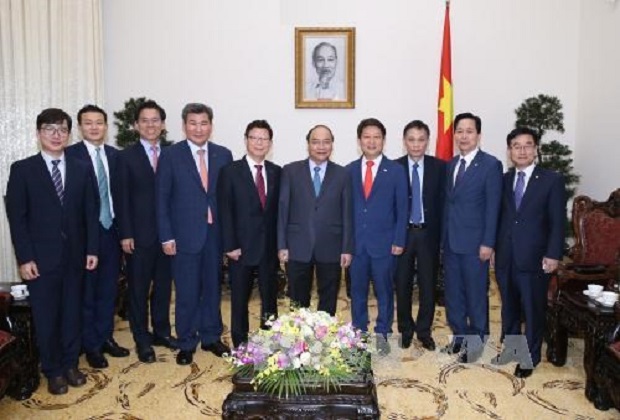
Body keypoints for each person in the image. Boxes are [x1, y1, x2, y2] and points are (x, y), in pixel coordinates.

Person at [6, 108, 99, 395]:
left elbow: (90, 212)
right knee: (46, 316)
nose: (56, 135)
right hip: (40, 260)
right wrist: (25, 258)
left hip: (75, 255)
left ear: (69, 134)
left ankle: (71, 364)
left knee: (72, 313)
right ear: (38, 133)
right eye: (49, 129)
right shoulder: (23, 170)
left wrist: (92, 249)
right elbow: (17, 218)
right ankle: (53, 370)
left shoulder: (82, 168)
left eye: (62, 129)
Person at [157, 102, 233, 365]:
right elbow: (162, 199)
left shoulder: (223, 154)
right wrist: (166, 236)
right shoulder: (170, 155)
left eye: (203, 123)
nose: (198, 128)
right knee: (187, 291)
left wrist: (229, 238)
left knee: (213, 288)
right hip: (183, 235)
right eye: (193, 123)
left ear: (211, 125)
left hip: (214, 234)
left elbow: (227, 199)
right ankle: (187, 341)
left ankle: (212, 336)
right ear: (184, 125)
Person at [493, 127, 566, 378]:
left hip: (536, 258)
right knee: (509, 307)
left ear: (535, 149)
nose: (522, 150)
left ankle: (530, 357)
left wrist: (554, 254)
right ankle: (513, 350)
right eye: (516, 145)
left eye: (527, 145)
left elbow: (558, 222)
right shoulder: (503, 180)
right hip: (505, 256)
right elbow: (499, 218)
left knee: (533, 309)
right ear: (510, 151)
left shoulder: (551, 180)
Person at [66, 105, 130, 368]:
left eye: (99, 123)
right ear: (80, 127)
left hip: (111, 232)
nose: (94, 127)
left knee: (108, 290)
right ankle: (90, 345)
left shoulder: (116, 156)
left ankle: (106, 338)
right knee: (87, 292)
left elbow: (122, 197)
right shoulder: (70, 156)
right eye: (88, 123)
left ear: (106, 126)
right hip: (83, 237)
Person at [116, 100, 176, 363]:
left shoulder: (173, 154)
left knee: (163, 288)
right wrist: (125, 233)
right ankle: (142, 339)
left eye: (155, 121)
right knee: (138, 290)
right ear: (136, 125)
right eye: (145, 120)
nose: (150, 125)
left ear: (162, 125)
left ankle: (161, 332)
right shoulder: (125, 157)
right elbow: (122, 199)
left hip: (168, 236)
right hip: (138, 237)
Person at [442, 112, 502, 363]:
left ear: (478, 135)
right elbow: (448, 204)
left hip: (476, 244)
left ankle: (476, 342)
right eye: (459, 131)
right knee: (453, 295)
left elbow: (493, 207)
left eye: (469, 131)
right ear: (454, 134)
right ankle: (459, 337)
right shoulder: (451, 164)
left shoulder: (490, 164)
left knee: (475, 294)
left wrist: (488, 242)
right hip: (451, 242)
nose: (463, 135)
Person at [217, 120, 280, 347]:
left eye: (264, 138)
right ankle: (241, 344)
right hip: (240, 248)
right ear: (246, 140)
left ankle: (270, 342)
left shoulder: (276, 172)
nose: (259, 143)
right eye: (254, 138)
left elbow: (278, 214)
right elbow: (224, 210)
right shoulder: (230, 172)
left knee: (270, 300)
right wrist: (229, 245)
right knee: (239, 300)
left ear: (270, 143)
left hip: (269, 249)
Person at [277, 125, 353, 316]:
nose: (321, 146)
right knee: (297, 300)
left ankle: (325, 340)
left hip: (331, 246)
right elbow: (283, 210)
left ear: (332, 145)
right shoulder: (290, 171)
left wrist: (346, 248)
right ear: (308, 144)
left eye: (326, 142)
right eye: (316, 142)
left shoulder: (342, 174)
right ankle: (299, 342)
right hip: (297, 246)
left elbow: (347, 213)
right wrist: (281, 245)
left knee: (328, 299)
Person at [347, 118, 408, 354]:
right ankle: (359, 332)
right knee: (357, 292)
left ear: (383, 140)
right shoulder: (349, 170)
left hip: (385, 244)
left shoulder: (395, 170)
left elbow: (402, 208)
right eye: (366, 137)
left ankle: (383, 332)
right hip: (357, 245)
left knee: (384, 292)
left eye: (376, 137)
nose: (371, 141)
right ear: (359, 140)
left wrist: (399, 240)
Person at [394, 120, 446, 351]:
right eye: (411, 139)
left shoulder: (440, 167)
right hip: (402, 235)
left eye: (421, 139)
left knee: (428, 285)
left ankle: (424, 330)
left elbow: (445, 205)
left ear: (428, 141)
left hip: (428, 235)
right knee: (402, 284)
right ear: (404, 141)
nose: (416, 144)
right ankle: (405, 329)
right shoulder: (394, 167)